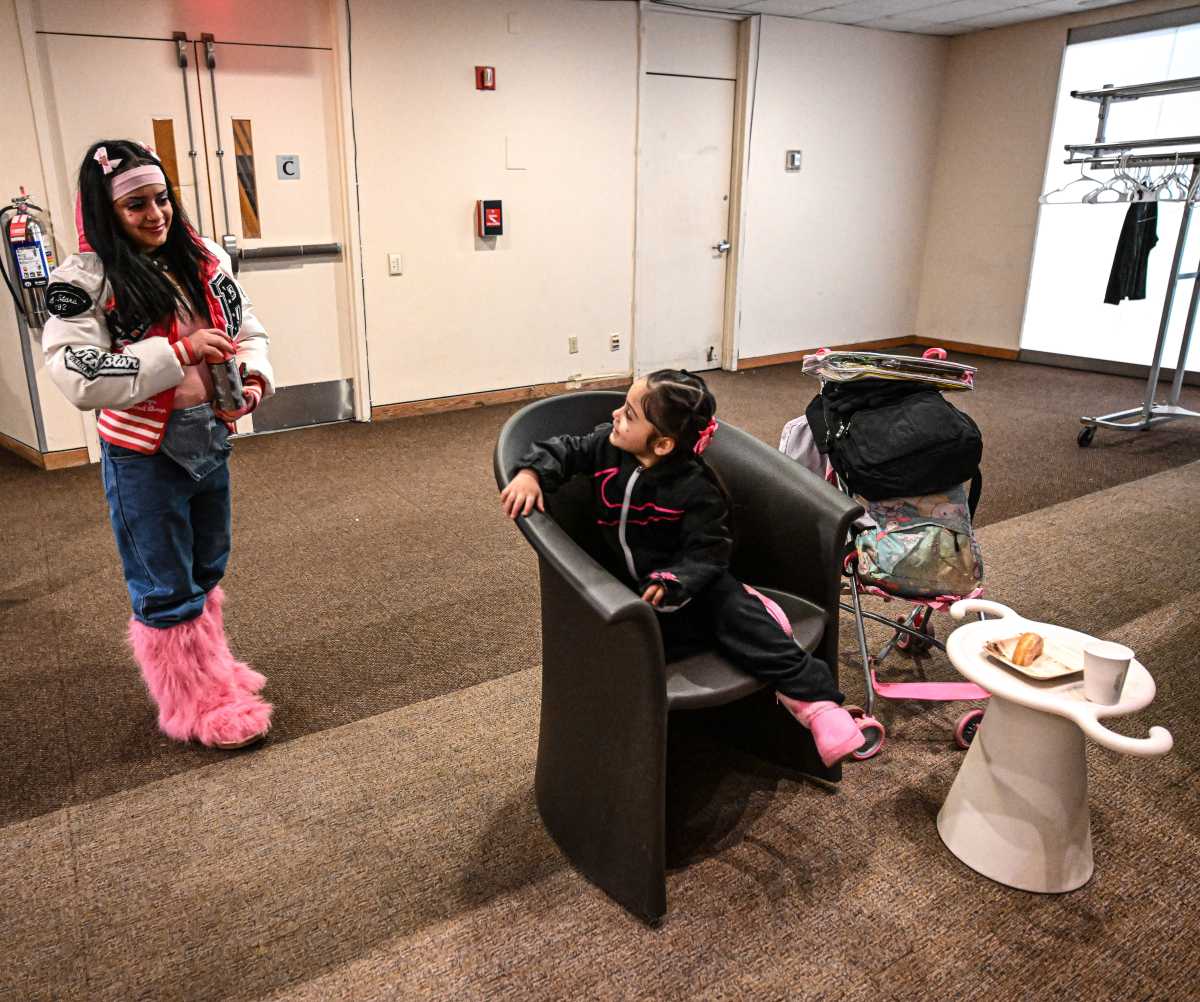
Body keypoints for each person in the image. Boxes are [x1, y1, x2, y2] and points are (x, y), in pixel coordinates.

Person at [499, 369, 866, 767]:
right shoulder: (604, 446)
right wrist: (531, 473)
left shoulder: (696, 488)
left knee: (744, 625)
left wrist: (676, 580)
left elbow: (709, 552)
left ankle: (820, 707)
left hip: (693, 585)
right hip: (636, 591)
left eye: (629, 414)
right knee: (637, 648)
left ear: (662, 444)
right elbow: (563, 449)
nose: (615, 415)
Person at [42, 139, 274, 749]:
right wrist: (176, 353)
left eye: (161, 198)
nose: (156, 214)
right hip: (142, 452)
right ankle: (194, 705)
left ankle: (213, 674)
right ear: (106, 212)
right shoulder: (84, 281)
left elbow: (247, 327)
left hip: (209, 436)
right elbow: (75, 371)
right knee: (164, 579)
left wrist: (251, 375)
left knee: (207, 563)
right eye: (136, 205)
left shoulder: (202, 258)